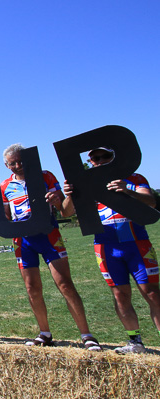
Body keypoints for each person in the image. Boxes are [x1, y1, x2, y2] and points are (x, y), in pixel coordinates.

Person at [0, 143, 101, 350]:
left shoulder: (45, 176)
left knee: (65, 284)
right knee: (32, 288)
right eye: (12, 163)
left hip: (48, 235)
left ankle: (86, 334)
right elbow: (5, 218)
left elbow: (65, 211)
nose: (17, 166)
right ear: (6, 165)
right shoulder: (5, 186)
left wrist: (61, 198)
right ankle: (44, 333)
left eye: (20, 161)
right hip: (23, 241)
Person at [63, 147, 160, 354]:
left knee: (152, 294)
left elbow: (151, 202)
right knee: (120, 295)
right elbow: (67, 211)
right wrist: (70, 195)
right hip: (106, 246)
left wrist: (128, 191)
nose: (100, 161)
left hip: (137, 244)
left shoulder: (134, 177)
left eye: (105, 156)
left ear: (114, 157)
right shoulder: (86, 183)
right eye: (95, 158)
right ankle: (135, 342)